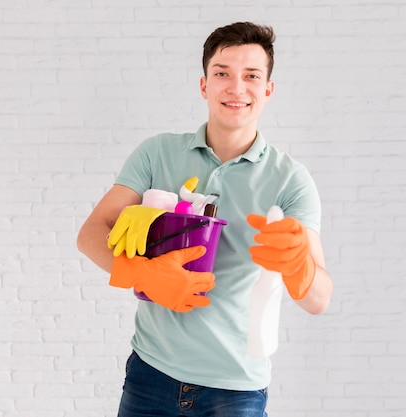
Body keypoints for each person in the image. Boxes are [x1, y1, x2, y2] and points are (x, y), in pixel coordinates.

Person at [77, 21, 333, 417]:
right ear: (204, 85)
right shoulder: (156, 154)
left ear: (267, 89)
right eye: (222, 74)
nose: (236, 88)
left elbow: (320, 299)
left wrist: (299, 266)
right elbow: (92, 233)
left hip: (236, 391)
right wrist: (142, 275)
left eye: (251, 76)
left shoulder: (290, 180)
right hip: (150, 375)